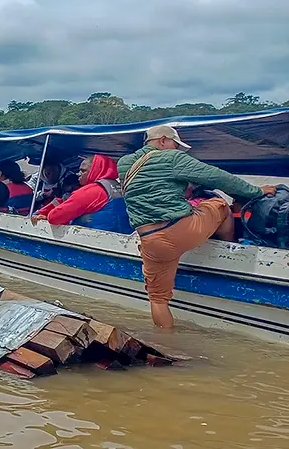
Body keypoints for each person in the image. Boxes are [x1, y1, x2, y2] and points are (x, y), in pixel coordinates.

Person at [117, 125, 276, 328]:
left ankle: (166, 345)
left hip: (150, 239)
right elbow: (217, 177)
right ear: (163, 140)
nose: (177, 150)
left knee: (158, 299)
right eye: (175, 145)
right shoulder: (171, 158)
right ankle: (229, 247)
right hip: (181, 229)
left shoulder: (124, 164)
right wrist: (256, 192)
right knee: (219, 206)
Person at [31, 155, 131, 233]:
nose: (78, 174)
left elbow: (55, 217)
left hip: (95, 239)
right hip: (121, 234)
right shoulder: (117, 186)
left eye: (83, 171)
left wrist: (46, 216)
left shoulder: (91, 191)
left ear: (95, 170)